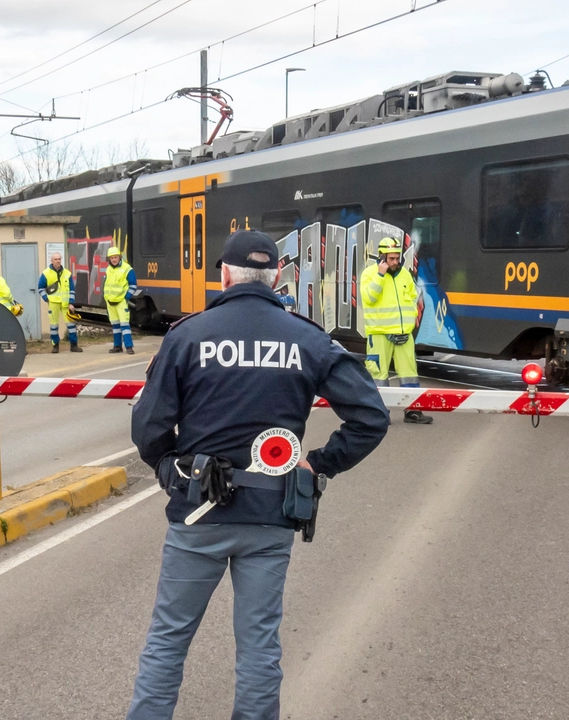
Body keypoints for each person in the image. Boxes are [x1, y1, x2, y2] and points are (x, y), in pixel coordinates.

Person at [127, 230, 390, 720]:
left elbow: (149, 424)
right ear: (275, 278)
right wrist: (319, 462)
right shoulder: (307, 338)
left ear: (224, 275)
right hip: (271, 516)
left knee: (167, 643)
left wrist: (169, 469)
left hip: (197, 517)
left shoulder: (188, 334)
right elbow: (371, 417)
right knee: (259, 650)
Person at [359, 236, 432, 424]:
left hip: (404, 335)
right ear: (382, 257)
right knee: (378, 375)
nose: (395, 262)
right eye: (391, 258)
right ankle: (379, 414)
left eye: (397, 258)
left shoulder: (405, 275)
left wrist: (408, 325)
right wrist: (380, 275)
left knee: (409, 372)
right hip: (380, 334)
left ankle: (413, 411)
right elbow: (369, 298)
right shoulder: (369, 274)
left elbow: (414, 297)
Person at [38, 252, 81, 353]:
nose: (58, 261)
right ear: (51, 261)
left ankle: (74, 345)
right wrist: (46, 298)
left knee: (71, 324)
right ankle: (55, 346)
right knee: (54, 325)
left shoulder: (67, 273)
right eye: (56, 259)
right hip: (53, 303)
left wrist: (71, 302)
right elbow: (40, 287)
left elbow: (72, 289)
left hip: (66, 303)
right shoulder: (46, 273)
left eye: (59, 259)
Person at [104, 246, 138, 354]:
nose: (114, 259)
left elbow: (133, 285)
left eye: (116, 257)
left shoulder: (127, 269)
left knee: (124, 325)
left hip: (121, 301)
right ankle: (117, 346)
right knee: (115, 325)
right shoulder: (108, 269)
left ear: (120, 257)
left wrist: (127, 297)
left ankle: (129, 346)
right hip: (110, 301)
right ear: (109, 259)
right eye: (112, 258)